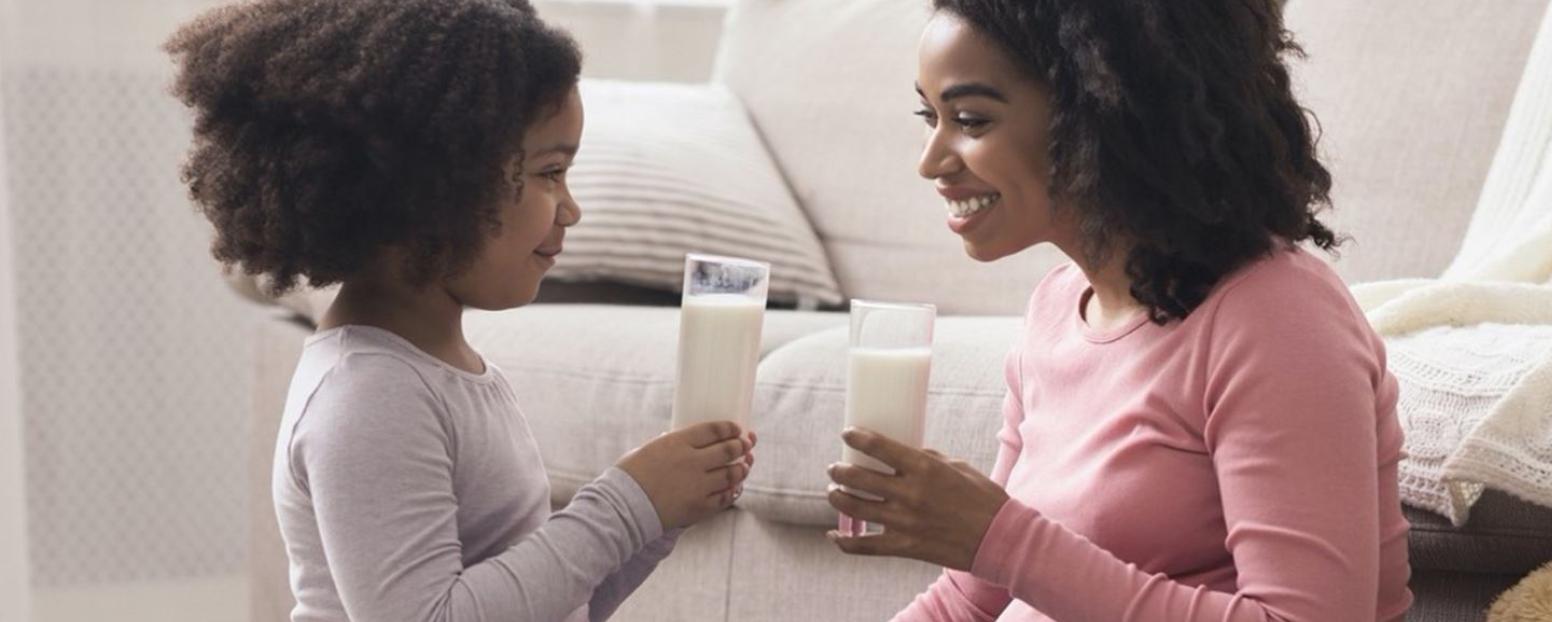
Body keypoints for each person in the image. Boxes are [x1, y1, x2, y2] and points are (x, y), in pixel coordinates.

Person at [824, 1, 1413, 619]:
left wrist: (1000, 538)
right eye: (930, 115)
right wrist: (990, 543)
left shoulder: (1276, 317)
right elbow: (968, 603)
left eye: (970, 120)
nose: (931, 161)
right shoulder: (1055, 309)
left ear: (1100, 115)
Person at [166, 1, 752, 619]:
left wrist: (657, 517)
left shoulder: (442, 370)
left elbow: (544, 602)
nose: (570, 208)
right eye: (550, 172)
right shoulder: (369, 393)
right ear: (438, 187)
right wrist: (626, 504)